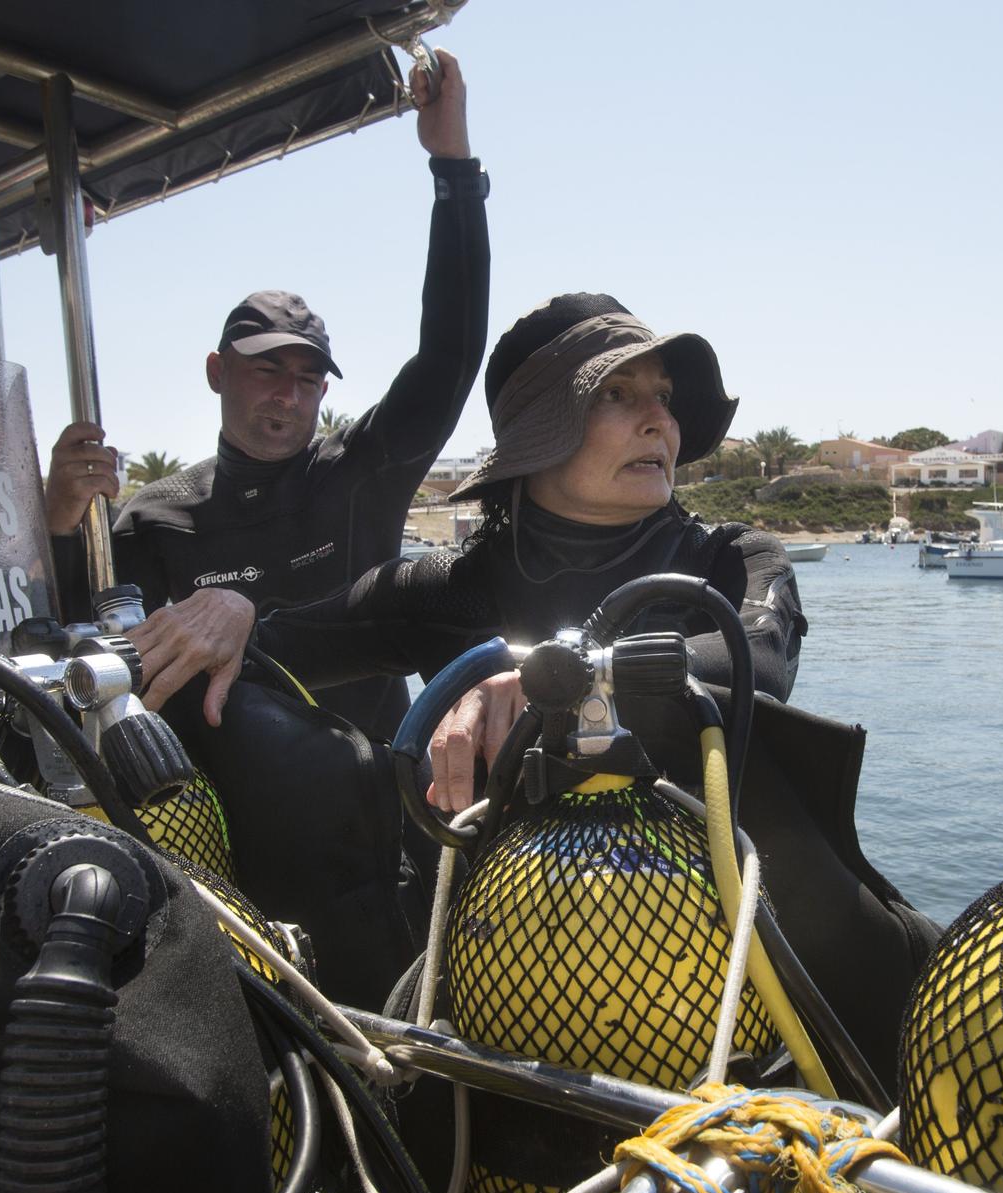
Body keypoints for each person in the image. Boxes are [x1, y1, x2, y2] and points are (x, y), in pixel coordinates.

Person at [177, 291, 806, 799]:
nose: (660, 420)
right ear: (537, 435)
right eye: (616, 393)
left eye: (664, 397)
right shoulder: (451, 586)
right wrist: (238, 616)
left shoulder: (731, 558)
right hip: (502, 924)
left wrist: (565, 679)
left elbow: (759, 660)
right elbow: (275, 651)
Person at [42, 48, 489, 742]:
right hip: (237, 808)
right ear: (217, 371)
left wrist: (453, 165)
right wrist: (63, 524)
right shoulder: (158, 517)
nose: (289, 395)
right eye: (266, 371)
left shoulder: (359, 472)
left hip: (382, 794)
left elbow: (450, 355)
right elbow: (85, 641)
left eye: (309, 378)